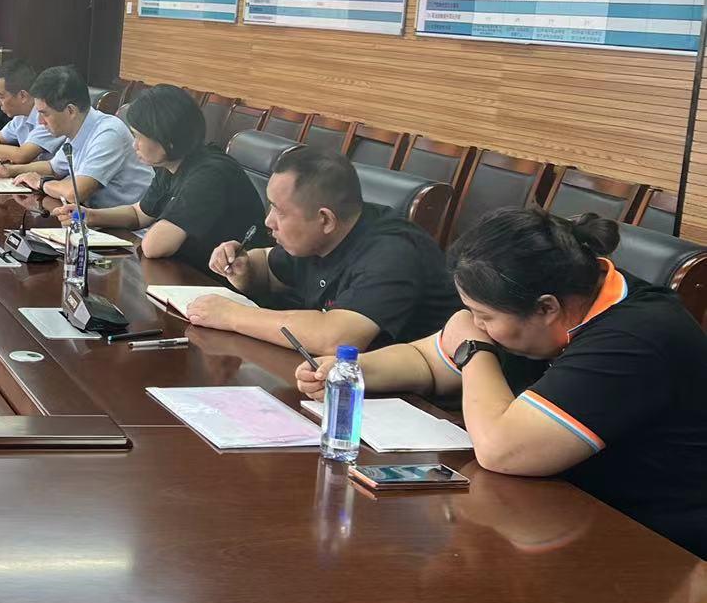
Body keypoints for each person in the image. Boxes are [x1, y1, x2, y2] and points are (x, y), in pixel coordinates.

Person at [296, 208, 707, 560]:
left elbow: (502, 450)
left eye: (485, 316)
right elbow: (428, 359)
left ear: (547, 309)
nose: (475, 323)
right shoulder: (555, 292)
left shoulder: (634, 338)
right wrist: (349, 370)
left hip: (647, 547)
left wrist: (475, 350)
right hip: (554, 510)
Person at [190, 146, 460, 354]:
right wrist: (243, 268)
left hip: (415, 400)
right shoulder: (319, 237)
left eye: (279, 211)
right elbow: (267, 270)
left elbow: (337, 338)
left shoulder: (392, 253)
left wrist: (232, 315)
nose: (268, 222)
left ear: (325, 219)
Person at [51, 84, 263, 265]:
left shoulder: (210, 174)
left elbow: (154, 247)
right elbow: (139, 214)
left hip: (218, 283)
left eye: (139, 137)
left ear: (166, 138)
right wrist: (89, 216)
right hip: (187, 274)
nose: (134, 145)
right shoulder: (172, 164)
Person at [6, 65, 153, 209]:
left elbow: (75, 193)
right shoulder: (76, 129)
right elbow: (53, 168)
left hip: (129, 222)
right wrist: (9, 170)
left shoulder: (108, 133)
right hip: (94, 216)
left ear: (70, 111)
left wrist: (41, 183)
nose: (40, 121)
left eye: (45, 114)